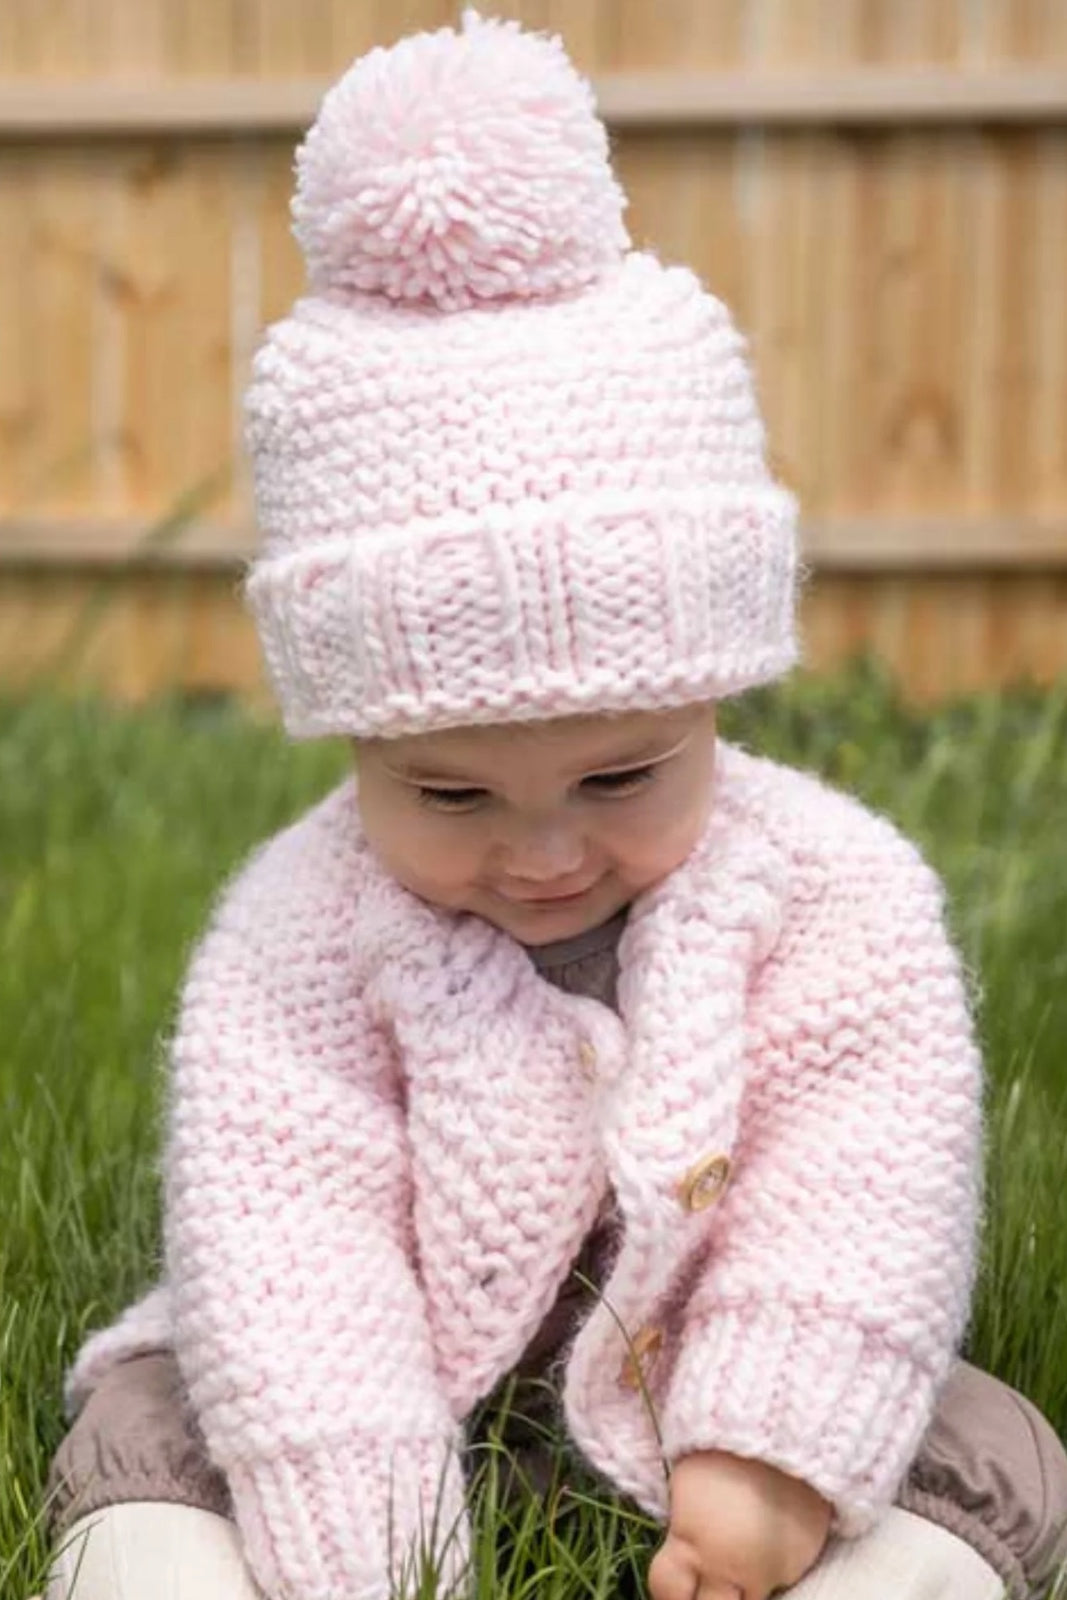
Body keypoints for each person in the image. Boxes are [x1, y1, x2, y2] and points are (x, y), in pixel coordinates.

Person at [40, 11, 1067, 1600]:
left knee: (983, 1447)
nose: (543, 851)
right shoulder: (303, 932)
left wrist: (772, 1445)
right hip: (393, 1371)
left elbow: (864, 1172)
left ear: (715, 696)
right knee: (154, 1425)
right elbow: (285, 1224)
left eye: (620, 775)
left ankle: (811, 1537)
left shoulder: (829, 894)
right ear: (356, 740)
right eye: (449, 790)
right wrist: (363, 1529)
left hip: (704, 1364)